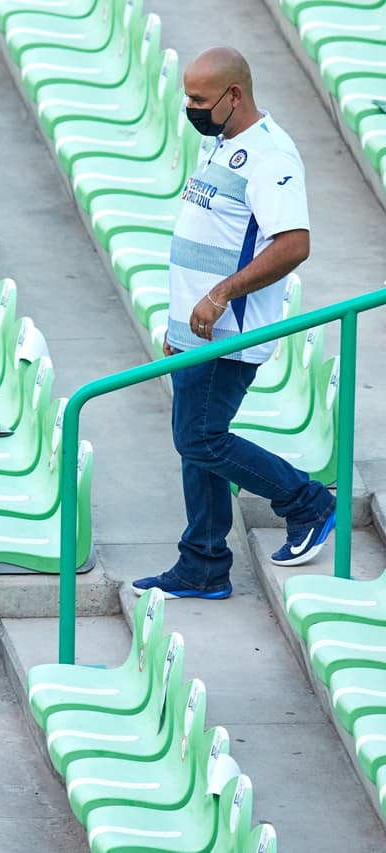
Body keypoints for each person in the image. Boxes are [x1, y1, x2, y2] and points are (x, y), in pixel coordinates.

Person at [133, 47, 336, 601]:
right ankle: (203, 563)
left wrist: (220, 294)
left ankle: (307, 503)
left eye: (199, 98)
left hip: (228, 330)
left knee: (199, 438)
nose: (190, 108)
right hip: (193, 331)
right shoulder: (222, 142)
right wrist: (180, 318)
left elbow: (294, 244)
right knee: (196, 445)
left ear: (234, 95)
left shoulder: (271, 156)